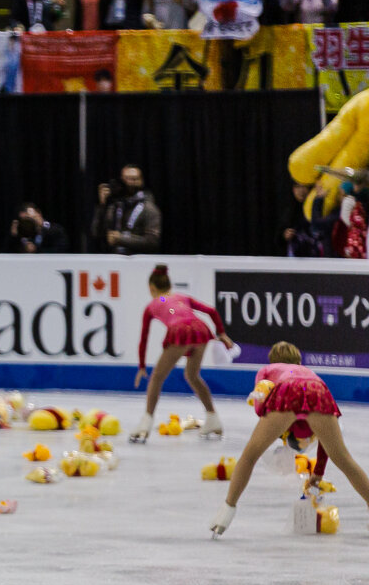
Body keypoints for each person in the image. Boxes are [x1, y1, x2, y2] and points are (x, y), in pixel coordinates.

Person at [210, 341, 369, 537]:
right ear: (298, 360)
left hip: (288, 391)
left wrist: (279, 430)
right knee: (344, 459)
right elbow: (323, 443)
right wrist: (318, 473)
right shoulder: (309, 373)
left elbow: (260, 407)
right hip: (319, 391)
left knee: (250, 454)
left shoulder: (268, 370)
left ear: (272, 359)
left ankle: (226, 511)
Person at [130, 264, 234, 443]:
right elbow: (211, 311)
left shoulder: (152, 305)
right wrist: (221, 332)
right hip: (200, 330)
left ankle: (145, 423)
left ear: (151, 288)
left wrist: (141, 366)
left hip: (180, 330)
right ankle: (213, 418)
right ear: (169, 286)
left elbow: (144, 338)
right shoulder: (181, 297)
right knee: (192, 375)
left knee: (157, 377)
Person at [90, 164, 161, 254]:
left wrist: (121, 239)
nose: (131, 183)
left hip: (139, 261)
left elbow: (153, 242)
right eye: (127, 179)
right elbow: (96, 233)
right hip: (114, 259)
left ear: (141, 181)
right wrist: (102, 206)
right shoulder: (115, 206)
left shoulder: (149, 208)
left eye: (135, 179)